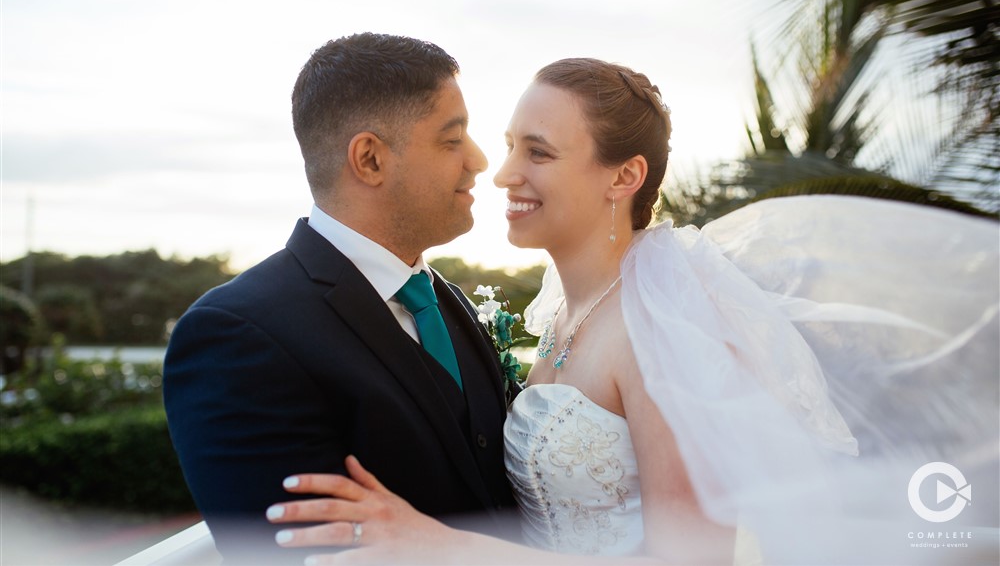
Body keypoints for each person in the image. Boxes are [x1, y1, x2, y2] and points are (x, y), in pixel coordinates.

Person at [266, 58, 1000, 565]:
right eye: (512, 144)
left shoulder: (662, 329)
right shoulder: (563, 318)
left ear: (625, 175)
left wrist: (441, 545)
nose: (504, 171)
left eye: (541, 153)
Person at [163, 33, 520, 565]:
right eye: (452, 139)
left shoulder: (450, 303)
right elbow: (293, 556)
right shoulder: (236, 335)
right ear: (370, 159)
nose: (479, 160)